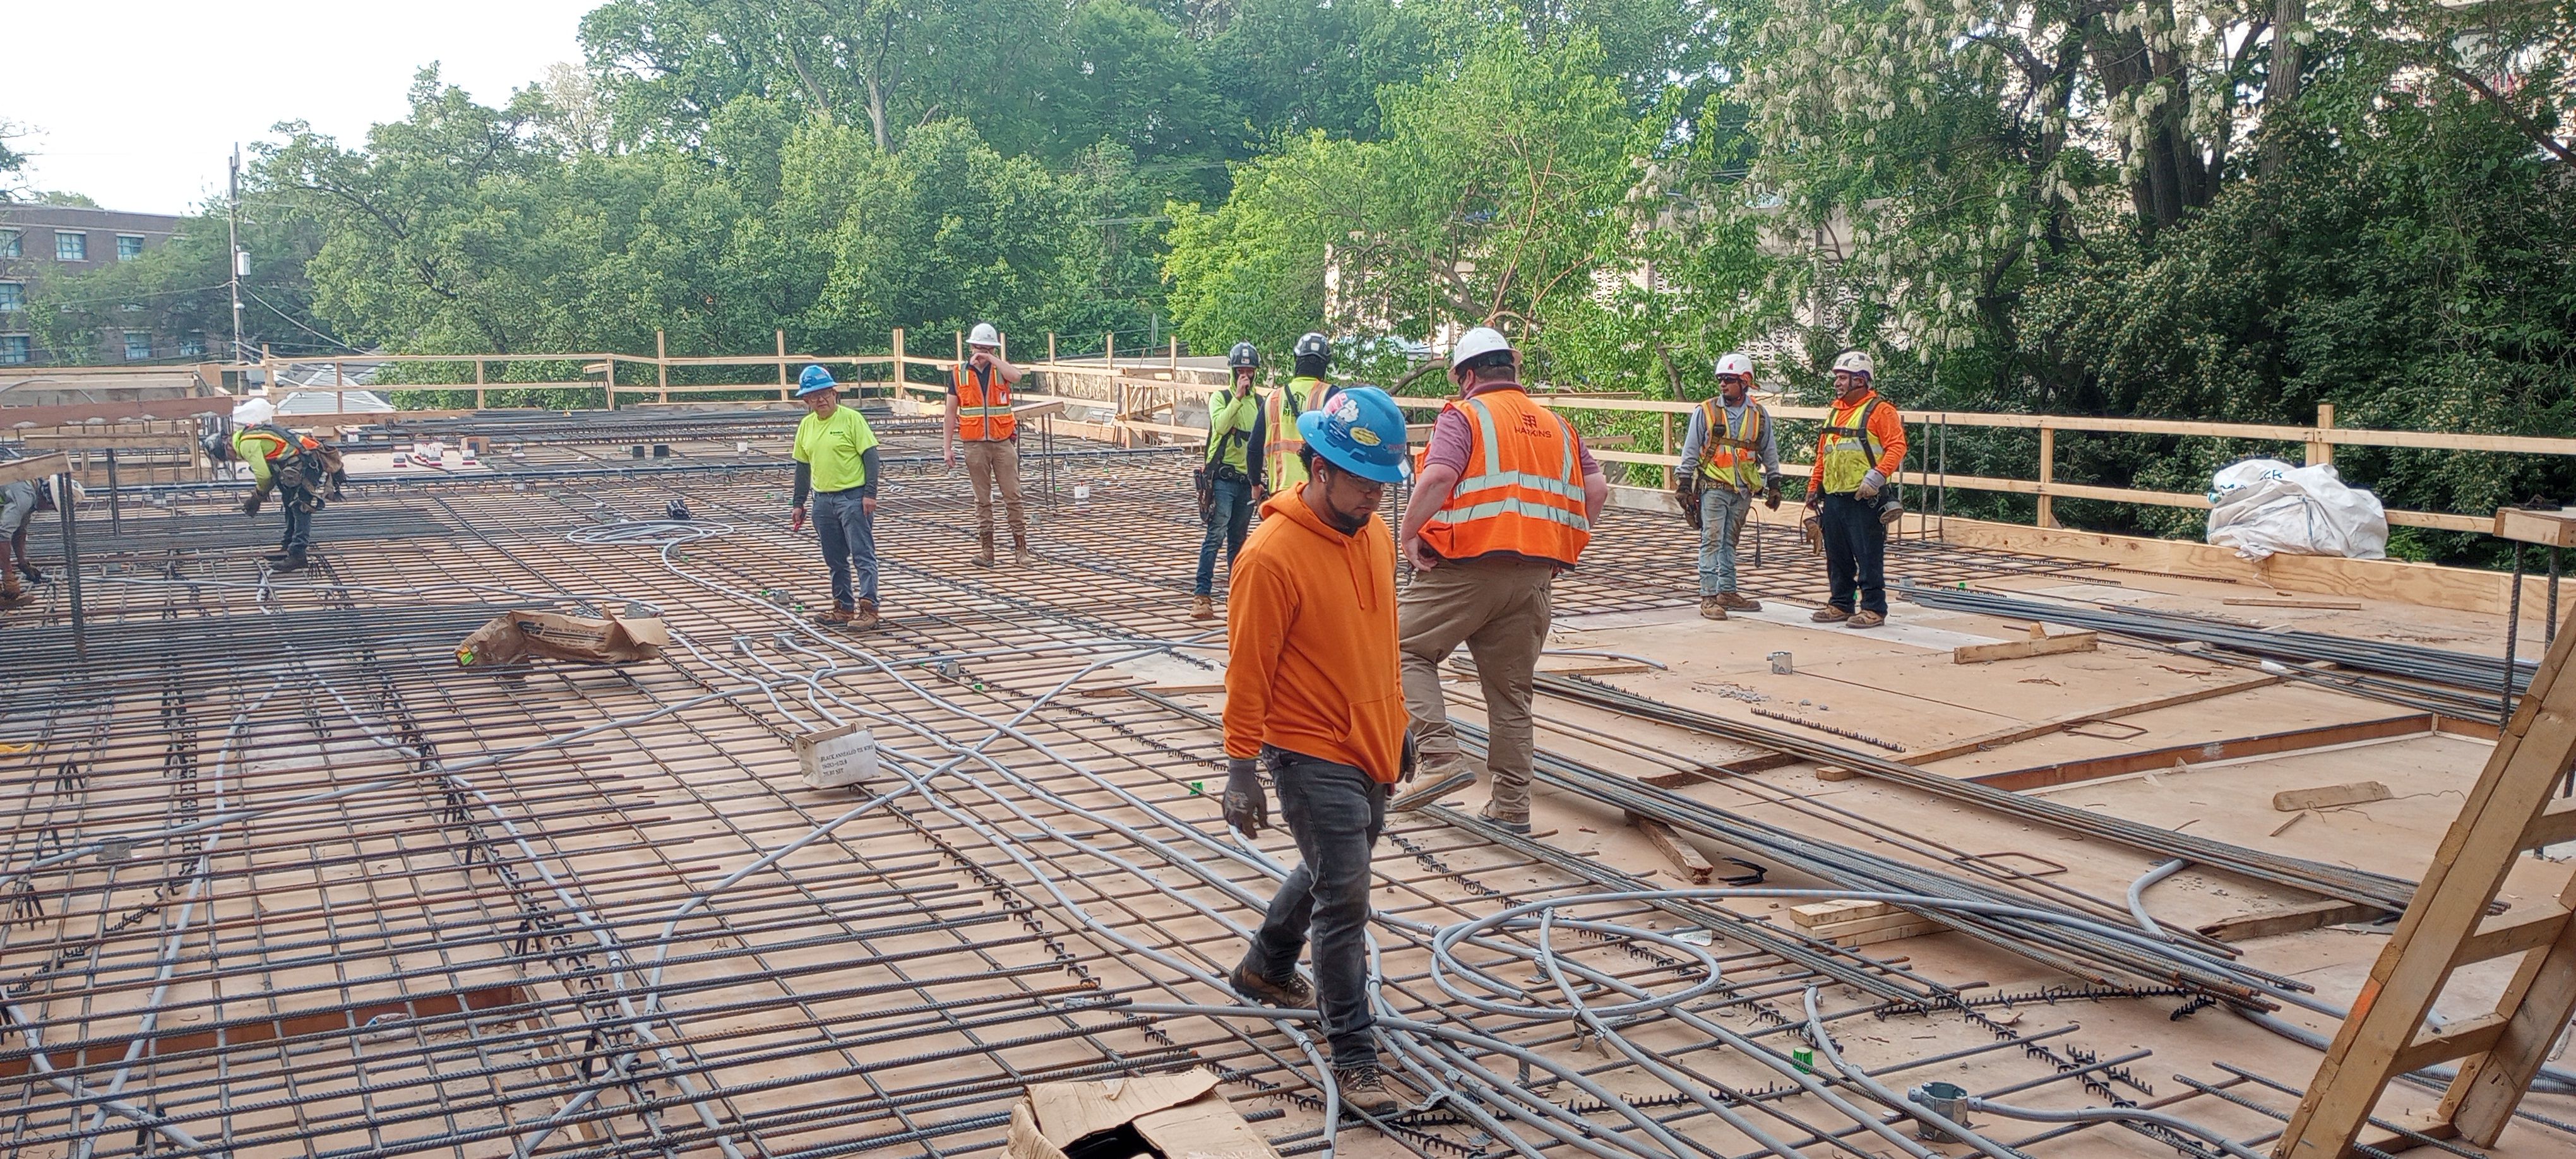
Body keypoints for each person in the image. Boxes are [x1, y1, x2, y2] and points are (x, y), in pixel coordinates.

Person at [1220, 385, 1415, 1119]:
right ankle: (1354, 1054)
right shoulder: (1270, 555)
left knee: (1339, 863)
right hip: (1305, 747)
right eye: (1363, 482)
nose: (1374, 496)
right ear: (1320, 467)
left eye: (1382, 484)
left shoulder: (1376, 537)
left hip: (1367, 741)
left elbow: (1379, 643)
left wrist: (1396, 725)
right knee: (1347, 897)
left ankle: (1267, 966)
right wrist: (1241, 768)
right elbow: (1248, 669)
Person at [1392, 327, 1608, 834]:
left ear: (1468, 376)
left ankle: (1441, 756)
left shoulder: (1465, 415)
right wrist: (1559, 545)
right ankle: (1511, 806)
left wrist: (1408, 533)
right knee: (1511, 694)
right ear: (1511, 371)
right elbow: (1596, 490)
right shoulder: (1558, 425)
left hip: (1468, 566)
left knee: (1396, 647)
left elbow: (1440, 476)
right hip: (1533, 574)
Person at [1806, 350, 1908, 629]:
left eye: (1842, 378)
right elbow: (1824, 453)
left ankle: (1874, 608)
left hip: (1865, 498)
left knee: (1868, 555)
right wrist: (1815, 486)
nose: (1837, 383)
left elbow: (1897, 446)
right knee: (1836, 555)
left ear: (1861, 381)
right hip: (1835, 497)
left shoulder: (1880, 411)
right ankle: (1841, 603)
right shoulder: (1836, 412)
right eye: (1838, 378)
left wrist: (1877, 476)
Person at [1677, 352, 1782, 620]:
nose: (1723, 385)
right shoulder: (1707, 411)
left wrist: (1774, 483)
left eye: (1729, 380)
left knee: (1729, 541)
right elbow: (1691, 449)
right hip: (1714, 486)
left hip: (1743, 489)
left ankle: (1728, 591)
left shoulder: (1758, 414)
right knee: (1711, 539)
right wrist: (1685, 483)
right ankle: (1709, 596)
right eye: (1721, 380)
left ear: (1745, 382)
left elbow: (1769, 449)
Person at [787, 365, 886, 628]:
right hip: (823, 501)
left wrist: (870, 494)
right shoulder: (806, 426)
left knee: (862, 554)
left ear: (834, 393)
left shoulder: (852, 419)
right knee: (834, 558)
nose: (820, 400)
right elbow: (803, 466)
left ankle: (869, 610)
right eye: (813, 396)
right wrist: (798, 503)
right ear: (806, 400)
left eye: (824, 394)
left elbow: (871, 457)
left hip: (853, 498)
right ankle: (843, 607)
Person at [220, 398, 343, 573]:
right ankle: (288, 547)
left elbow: (264, 476)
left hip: (308, 462)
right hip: (301, 461)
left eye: (228, 458)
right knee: (289, 503)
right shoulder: (247, 435)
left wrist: (257, 497)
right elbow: (270, 474)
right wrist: (260, 495)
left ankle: (298, 554)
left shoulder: (247, 443)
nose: (233, 460)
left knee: (301, 506)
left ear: (227, 449)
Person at [943, 321, 1028, 567]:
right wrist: (947, 448)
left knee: (1013, 495)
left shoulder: (1000, 370)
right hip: (974, 445)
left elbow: (1017, 376)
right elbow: (950, 413)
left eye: (987, 349)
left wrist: (992, 360)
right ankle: (987, 550)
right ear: (971, 347)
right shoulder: (959, 374)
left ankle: (1021, 549)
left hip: (1002, 443)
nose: (981, 354)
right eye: (978, 349)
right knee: (983, 499)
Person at [1193, 343, 1263, 620]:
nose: (1245, 375)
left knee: (1239, 541)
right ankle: (1202, 595)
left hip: (1246, 481)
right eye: (1240, 370)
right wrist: (1237, 397)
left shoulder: (1259, 404)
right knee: (1216, 535)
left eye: (1249, 371)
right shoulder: (1221, 398)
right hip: (1222, 479)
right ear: (1233, 373)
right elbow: (1221, 426)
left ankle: (1237, 596)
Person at [1248, 331, 1335, 503]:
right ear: (1324, 365)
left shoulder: (1273, 398)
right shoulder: (1331, 396)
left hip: (1281, 493)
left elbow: (1253, 448)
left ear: (1297, 360)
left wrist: (1255, 485)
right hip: (1317, 494)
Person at [0, 456, 42, 609]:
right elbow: (3, 535)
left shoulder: (32, 491)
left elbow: (19, 532)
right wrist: (8, 575)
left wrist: (22, 563)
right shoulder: (26, 496)